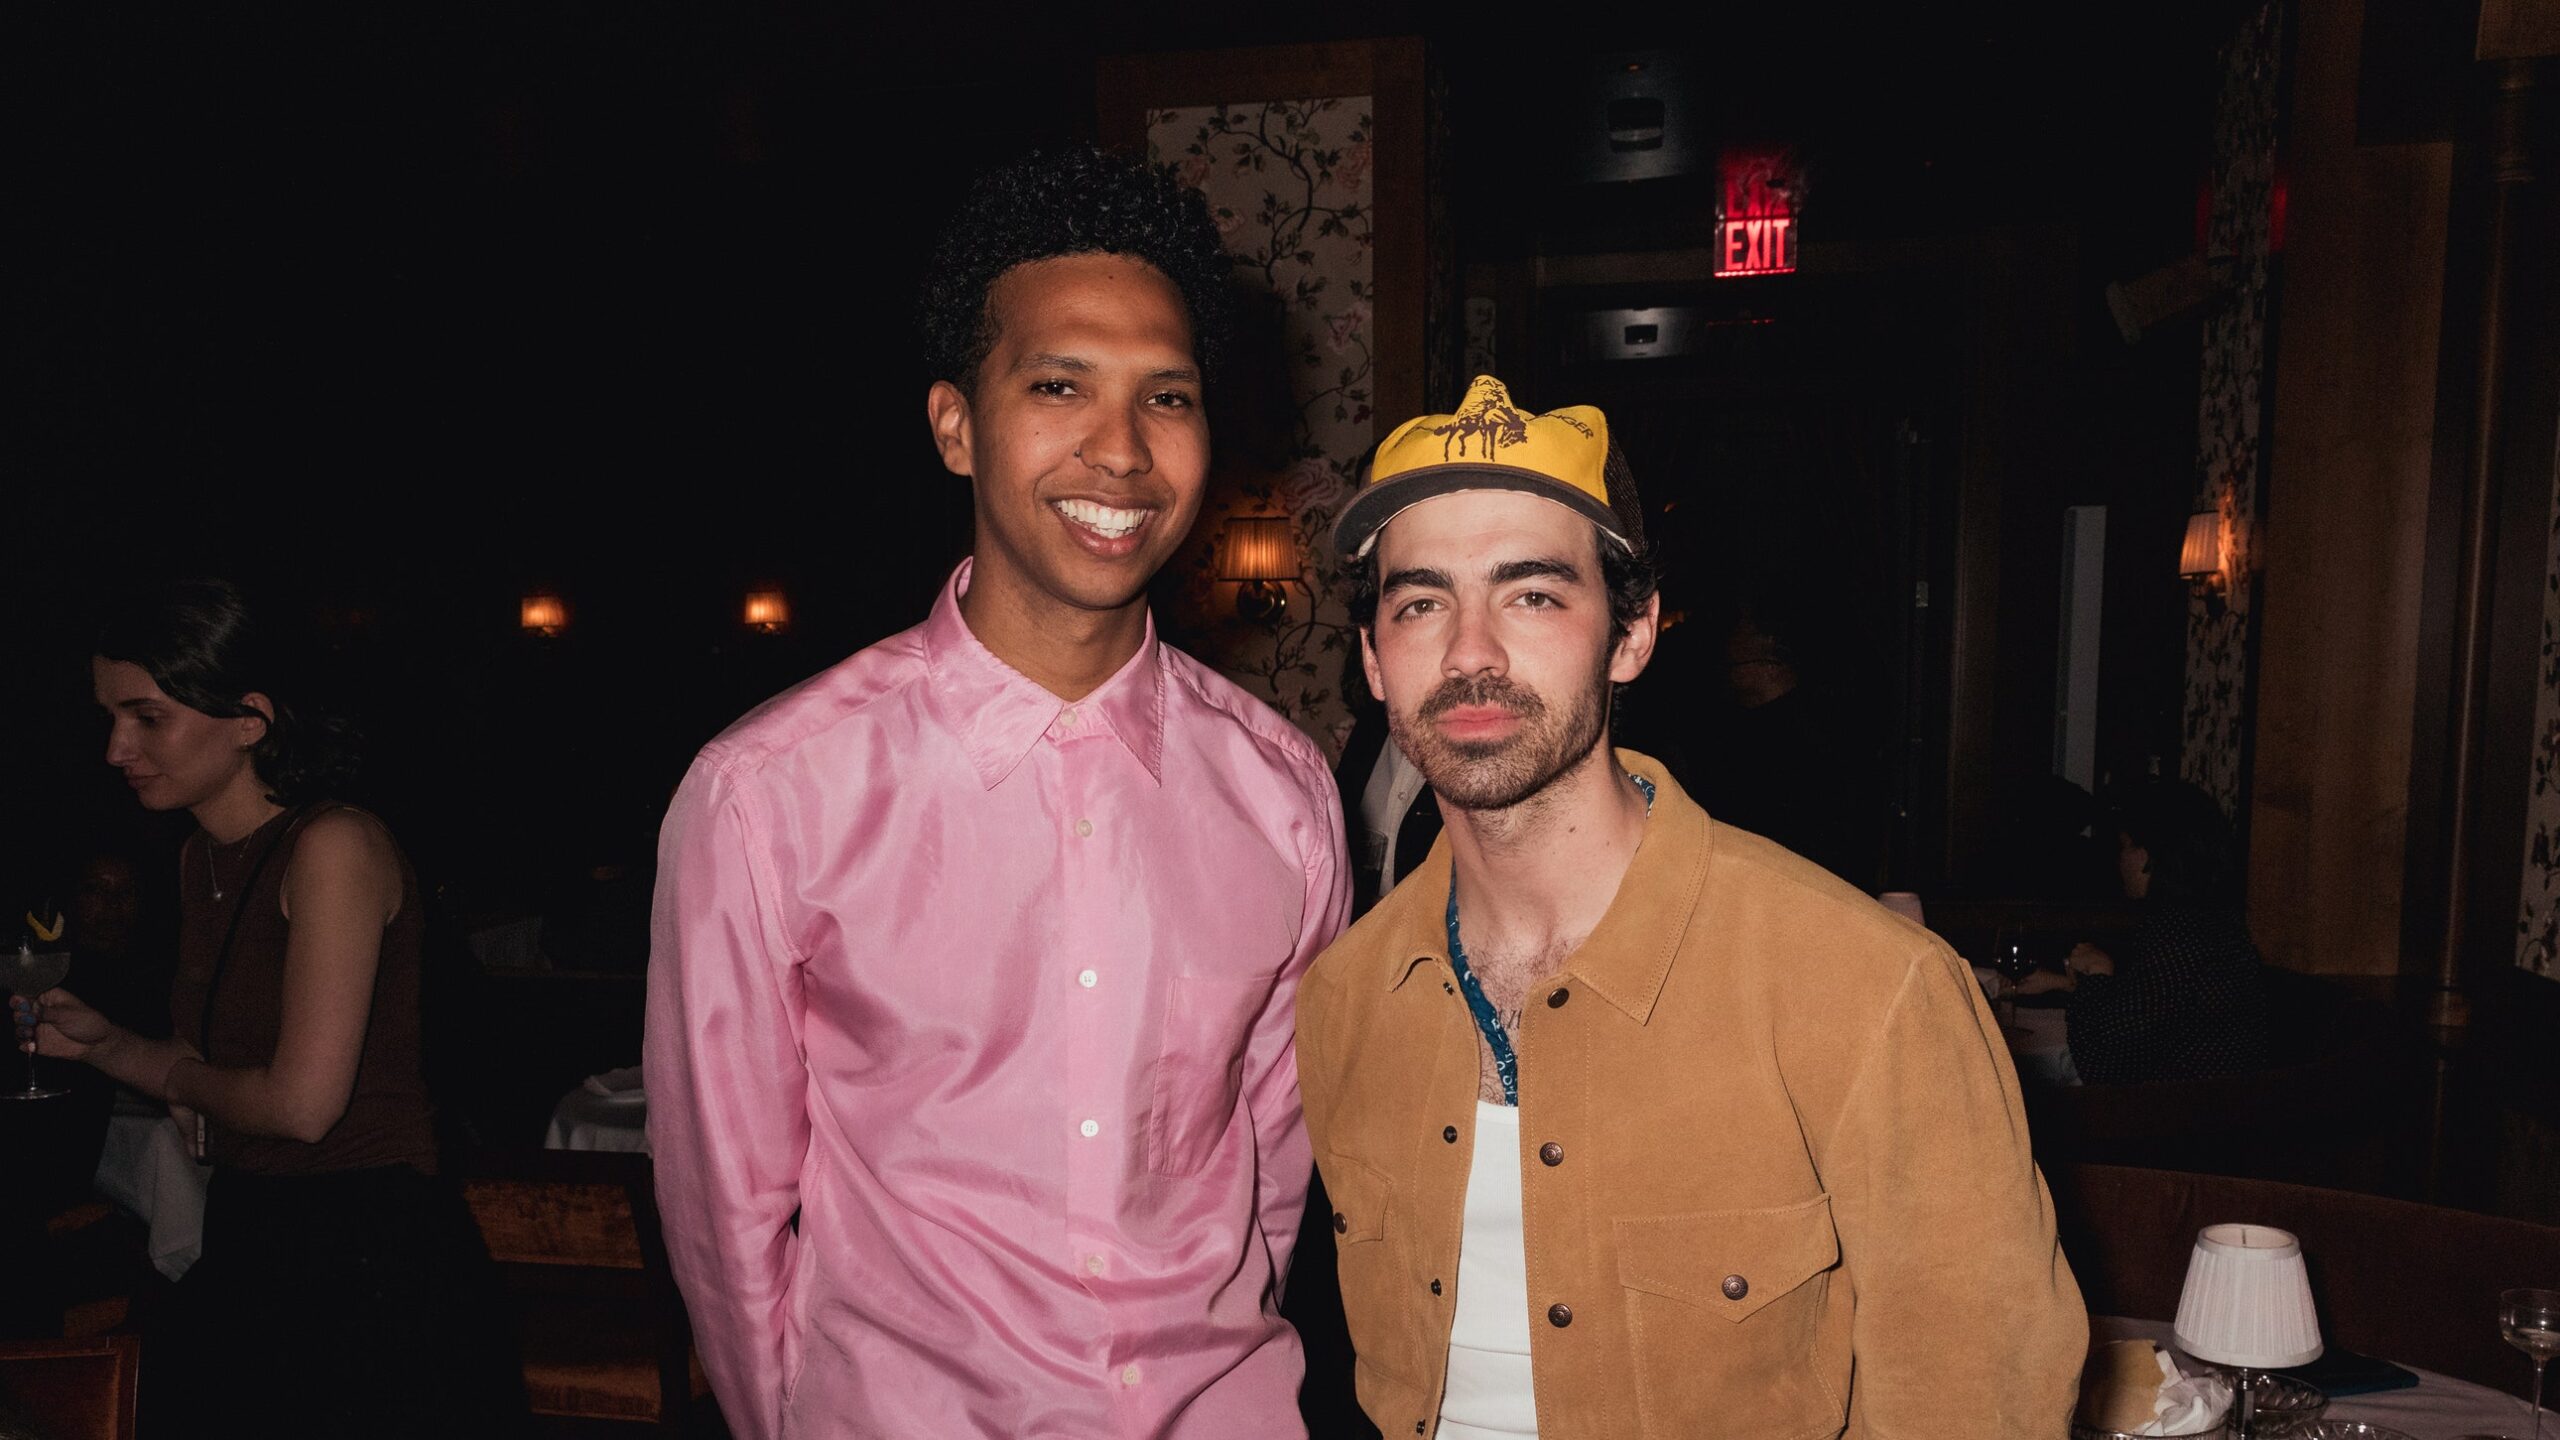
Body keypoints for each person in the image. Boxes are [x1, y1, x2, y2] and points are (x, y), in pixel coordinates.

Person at [643, 144, 1349, 1440]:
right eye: (1059, 385)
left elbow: (1272, 1173)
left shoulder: (1285, 797)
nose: (1121, 452)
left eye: (1168, 397)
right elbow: (725, 1218)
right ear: (955, 425)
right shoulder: (768, 797)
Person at [1294, 375, 2086, 1440]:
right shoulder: (1344, 999)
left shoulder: (1869, 992)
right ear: (1373, 661)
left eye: (1532, 595)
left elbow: (1977, 1407)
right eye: (1421, 603)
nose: (1470, 651)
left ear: (1632, 635)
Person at [12, 578, 520, 1436]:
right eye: (110, 717)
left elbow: (299, 1107)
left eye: (146, 717)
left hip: (369, 1254)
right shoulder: (199, 856)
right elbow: (206, 1072)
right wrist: (105, 1046)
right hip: (256, 1229)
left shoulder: (333, 845)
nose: (115, 748)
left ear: (249, 719)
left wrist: (191, 1085)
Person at [2016, 777, 2272, 1085]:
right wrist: (2065, 983)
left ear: (2150, 856)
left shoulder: (2178, 935)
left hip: (2184, 1109)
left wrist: (2097, 975)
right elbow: (2157, 1010)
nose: (2120, 858)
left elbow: (2100, 1063)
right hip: (2218, 1102)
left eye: (2126, 846)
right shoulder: (2212, 924)